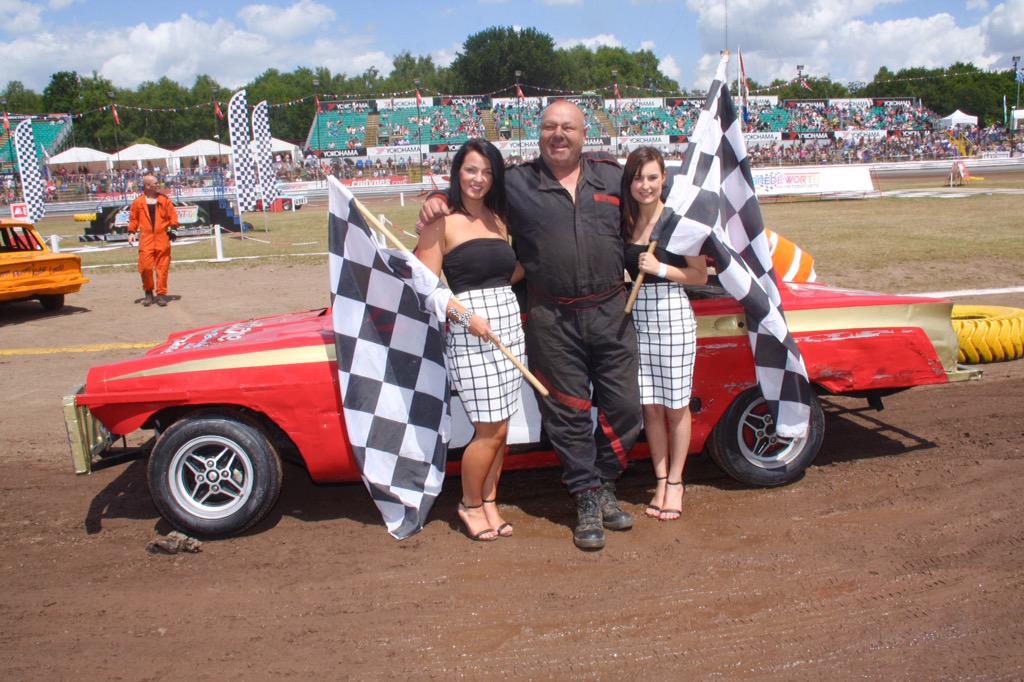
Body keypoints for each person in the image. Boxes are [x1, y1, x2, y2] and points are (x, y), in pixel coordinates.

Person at [421, 101, 641, 551]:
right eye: (550, 127)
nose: (558, 135)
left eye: (568, 128)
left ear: (585, 135)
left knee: (625, 409)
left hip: (610, 312)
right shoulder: (518, 183)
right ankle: (585, 498)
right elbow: (472, 195)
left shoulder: (613, 176)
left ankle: (603, 484)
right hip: (552, 318)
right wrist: (436, 200)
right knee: (567, 414)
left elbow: (651, 198)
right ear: (539, 133)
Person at [415, 139, 525, 542]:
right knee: (488, 430)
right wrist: (466, 315)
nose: (478, 179)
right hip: (469, 332)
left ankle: (491, 501)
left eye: (487, 171)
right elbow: (427, 287)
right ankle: (469, 504)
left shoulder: (500, 219)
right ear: (457, 172)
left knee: (503, 429)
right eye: (471, 169)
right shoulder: (440, 219)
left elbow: (509, 273)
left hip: (509, 328)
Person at [621, 147, 707, 521]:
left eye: (652, 177)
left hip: (672, 314)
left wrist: (659, 268)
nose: (645, 185)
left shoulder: (678, 221)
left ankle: (676, 482)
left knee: (675, 406)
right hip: (636, 318)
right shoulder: (625, 222)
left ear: (664, 179)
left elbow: (700, 275)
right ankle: (659, 478)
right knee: (651, 407)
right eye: (638, 178)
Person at [127, 174, 177, 307]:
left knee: (162, 268)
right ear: (148, 185)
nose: (158, 184)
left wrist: (173, 230)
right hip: (146, 239)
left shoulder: (165, 200)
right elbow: (134, 219)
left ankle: (161, 294)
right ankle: (148, 293)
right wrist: (131, 232)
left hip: (162, 239)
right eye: (156, 183)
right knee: (145, 267)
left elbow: (173, 216)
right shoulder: (138, 202)